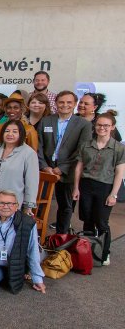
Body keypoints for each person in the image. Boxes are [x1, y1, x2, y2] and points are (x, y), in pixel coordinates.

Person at [73, 112, 124, 265]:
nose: (102, 128)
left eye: (106, 125)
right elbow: (79, 167)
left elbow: (119, 173)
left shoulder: (118, 148)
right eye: (99, 125)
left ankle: (104, 252)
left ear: (112, 127)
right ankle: (87, 251)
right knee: (87, 220)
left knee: (102, 222)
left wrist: (113, 194)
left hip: (105, 187)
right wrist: (76, 188)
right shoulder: (86, 145)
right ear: (95, 126)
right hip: (86, 185)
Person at [37, 91, 91, 233]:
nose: (65, 105)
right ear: (56, 103)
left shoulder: (83, 124)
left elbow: (81, 150)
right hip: (46, 170)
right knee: (39, 203)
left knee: (65, 207)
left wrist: (62, 168)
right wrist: (44, 166)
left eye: (69, 102)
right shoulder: (46, 121)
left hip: (67, 172)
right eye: (61, 102)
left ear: (75, 104)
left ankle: (61, 237)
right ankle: (36, 236)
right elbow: (38, 146)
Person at [0, 120, 39, 215]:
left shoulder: (29, 153)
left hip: (10, 205)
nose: (10, 134)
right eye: (7, 131)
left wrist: (28, 206)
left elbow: (32, 183)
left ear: (21, 134)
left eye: (14, 131)